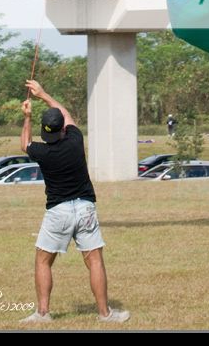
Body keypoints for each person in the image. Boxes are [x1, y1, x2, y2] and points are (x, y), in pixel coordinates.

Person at [18, 79, 130, 325]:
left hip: (58, 211)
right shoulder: (75, 140)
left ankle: (43, 314)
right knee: (94, 260)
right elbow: (66, 114)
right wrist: (44, 94)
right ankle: (105, 314)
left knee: (43, 260)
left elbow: (24, 144)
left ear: (44, 131)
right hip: (85, 208)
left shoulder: (42, 152)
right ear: (62, 129)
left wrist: (27, 116)